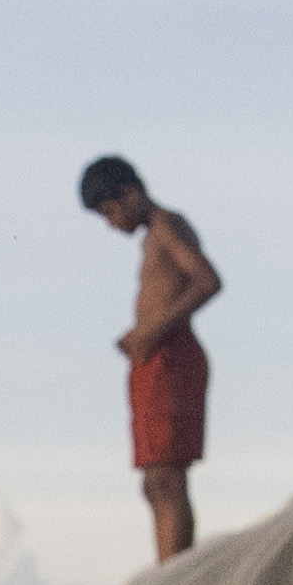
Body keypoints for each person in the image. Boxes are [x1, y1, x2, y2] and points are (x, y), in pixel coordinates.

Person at [78, 155, 223, 564]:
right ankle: (167, 569)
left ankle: (174, 576)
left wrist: (152, 330)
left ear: (131, 193)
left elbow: (207, 280)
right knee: (154, 482)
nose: (110, 223)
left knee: (166, 476)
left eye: (110, 211)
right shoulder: (152, 238)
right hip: (153, 362)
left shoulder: (167, 227)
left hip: (172, 359)